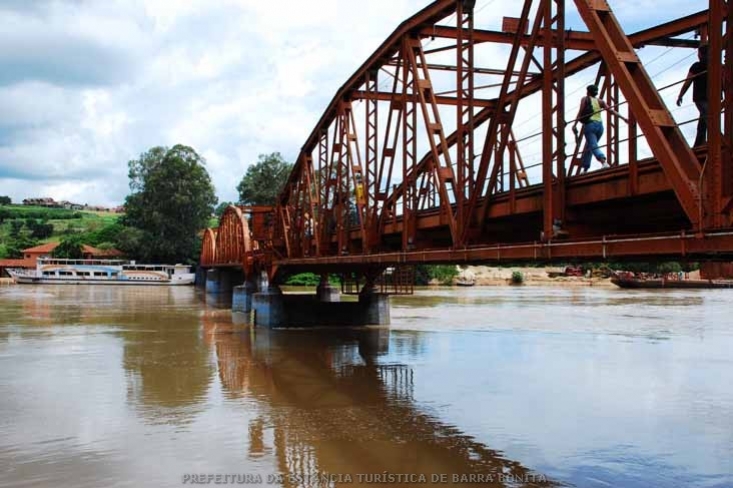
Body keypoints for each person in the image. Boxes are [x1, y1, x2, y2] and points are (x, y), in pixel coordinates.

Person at [572, 84, 627, 173]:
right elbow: (611, 111)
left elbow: (580, 111)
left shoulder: (585, 99)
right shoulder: (600, 101)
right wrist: (624, 118)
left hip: (590, 125)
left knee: (593, 145)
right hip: (600, 126)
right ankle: (585, 168)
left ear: (588, 92)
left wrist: (574, 124)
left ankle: (604, 162)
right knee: (589, 146)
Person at [677, 45, 708, 147]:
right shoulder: (716, 65)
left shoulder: (696, 66)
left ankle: (702, 142)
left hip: (700, 97)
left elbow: (688, 82)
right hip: (712, 97)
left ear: (700, 54)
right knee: (706, 117)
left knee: (706, 118)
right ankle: (701, 142)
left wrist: (680, 95)